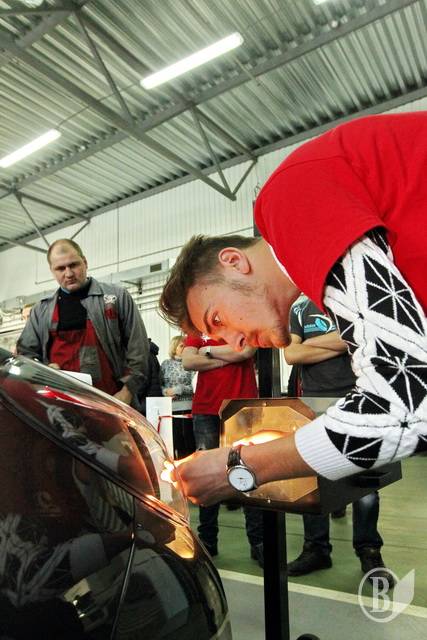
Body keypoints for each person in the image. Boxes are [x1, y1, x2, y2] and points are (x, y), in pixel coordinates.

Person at [159, 112, 427, 508]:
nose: (235, 343)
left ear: (233, 261)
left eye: (217, 319)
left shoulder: (286, 199)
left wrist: (239, 466)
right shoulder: (331, 273)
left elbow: (405, 406)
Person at [284, 295, 393, 585]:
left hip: (358, 397)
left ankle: (369, 551)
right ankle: (316, 549)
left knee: (365, 482)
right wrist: (340, 340)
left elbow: (362, 338)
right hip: (313, 402)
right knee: (313, 479)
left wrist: (310, 345)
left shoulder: (349, 299)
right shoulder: (299, 308)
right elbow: (291, 355)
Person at [17, 238, 149, 407]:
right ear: (52, 271)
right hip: (61, 407)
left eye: (73, 265)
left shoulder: (116, 298)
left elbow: (139, 350)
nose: (69, 274)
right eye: (60, 268)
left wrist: (127, 392)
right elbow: (25, 355)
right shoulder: (41, 311)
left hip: (112, 402)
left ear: (85, 262)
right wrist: (44, 371)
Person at [182, 336, 264, 566]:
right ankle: (207, 540)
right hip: (206, 408)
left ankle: (258, 542)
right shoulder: (197, 327)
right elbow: (188, 361)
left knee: (249, 470)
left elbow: (245, 352)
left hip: (241, 406)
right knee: (205, 473)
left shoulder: (244, 323)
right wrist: (227, 357)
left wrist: (207, 351)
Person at [160, 335, 195, 458]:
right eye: (181, 346)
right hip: (169, 409)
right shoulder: (165, 364)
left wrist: (178, 390)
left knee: (188, 441)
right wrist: (165, 392)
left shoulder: (191, 364)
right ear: (174, 347)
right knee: (174, 441)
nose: (184, 348)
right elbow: (159, 384)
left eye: (186, 346)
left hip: (187, 408)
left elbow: (194, 386)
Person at [138, 338, 162, 415]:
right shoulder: (149, 352)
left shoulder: (144, 354)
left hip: (145, 403)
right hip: (152, 401)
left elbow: (142, 381)